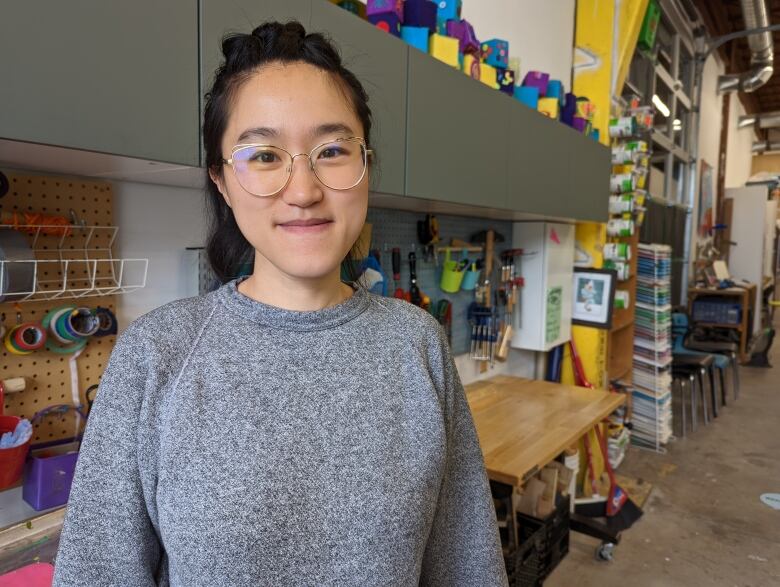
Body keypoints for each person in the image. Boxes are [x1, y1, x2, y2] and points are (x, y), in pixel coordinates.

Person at [53, 21, 507, 586]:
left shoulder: (417, 343)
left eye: (333, 150)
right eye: (265, 155)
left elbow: (469, 567)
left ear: (367, 165)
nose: (303, 189)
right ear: (221, 181)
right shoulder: (157, 353)